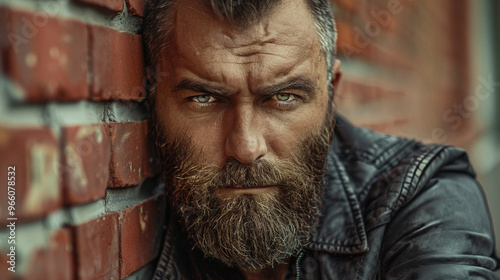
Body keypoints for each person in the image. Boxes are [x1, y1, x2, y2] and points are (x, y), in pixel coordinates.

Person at [143, 0, 500, 279]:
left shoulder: (426, 196)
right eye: (204, 98)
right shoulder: (133, 224)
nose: (247, 147)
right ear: (151, 98)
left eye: (284, 97)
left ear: (332, 94)